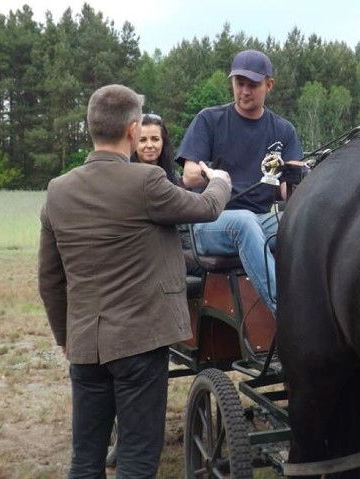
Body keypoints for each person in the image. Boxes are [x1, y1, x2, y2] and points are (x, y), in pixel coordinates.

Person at [38, 84, 231, 478]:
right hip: (140, 346)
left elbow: (50, 279)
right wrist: (221, 180)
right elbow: (208, 208)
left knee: (85, 458)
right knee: (138, 461)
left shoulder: (58, 191)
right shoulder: (146, 182)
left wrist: (65, 337)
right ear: (131, 130)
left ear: (90, 127)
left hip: (85, 346)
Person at [177, 49, 304, 316]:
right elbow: (188, 176)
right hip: (211, 221)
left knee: (306, 224)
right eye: (239, 83)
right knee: (245, 221)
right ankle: (290, 315)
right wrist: (212, 176)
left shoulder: (284, 130)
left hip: (262, 221)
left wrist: (302, 180)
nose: (244, 91)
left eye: (253, 84)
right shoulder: (209, 119)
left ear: (269, 85)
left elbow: (288, 189)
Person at [131, 112, 203, 276]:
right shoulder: (129, 180)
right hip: (147, 252)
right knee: (203, 264)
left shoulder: (175, 179)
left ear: (163, 142)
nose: (150, 145)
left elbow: (185, 225)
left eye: (155, 139)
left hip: (179, 247)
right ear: (133, 143)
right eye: (142, 140)